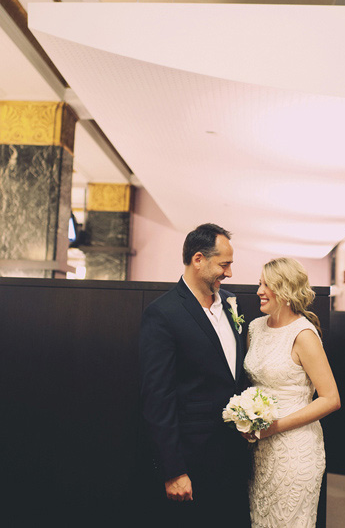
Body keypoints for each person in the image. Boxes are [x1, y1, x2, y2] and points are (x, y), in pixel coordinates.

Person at [139, 223, 251, 527]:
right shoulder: (163, 313)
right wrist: (173, 470)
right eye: (224, 264)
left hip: (235, 455)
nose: (229, 273)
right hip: (193, 459)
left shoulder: (230, 303)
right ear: (198, 259)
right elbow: (157, 398)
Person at [244, 257, 340, 528]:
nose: (259, 291)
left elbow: (331, 399)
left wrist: (276, 427)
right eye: (259, 283)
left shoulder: (304, 334)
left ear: (286, 291)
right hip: (260, 449)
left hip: (295, 448)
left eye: (267, 285)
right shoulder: (255, 328)